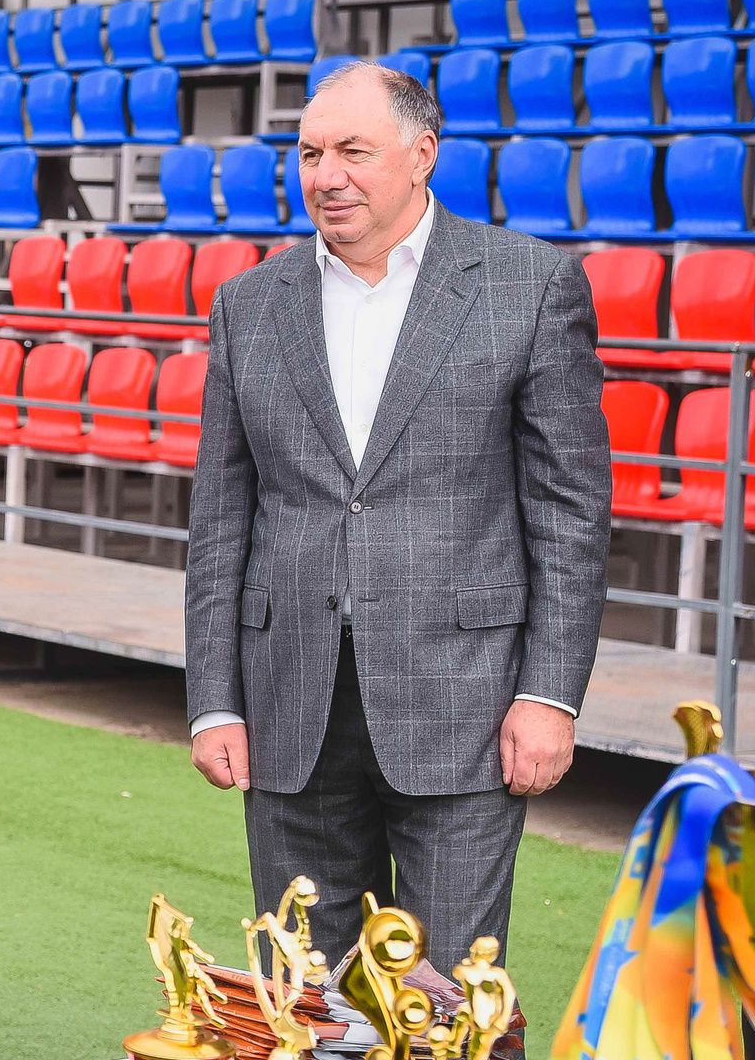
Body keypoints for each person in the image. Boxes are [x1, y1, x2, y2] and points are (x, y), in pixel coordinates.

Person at [184, 60, 611, 977]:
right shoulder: (248, 303)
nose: (327, 175)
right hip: (290, 707)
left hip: (467, 705)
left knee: (450, 1004)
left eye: (353, 151)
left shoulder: (529, 284)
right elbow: (221, 519)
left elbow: (571, 515)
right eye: (309, 153)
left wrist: (550, 694)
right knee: (304, 1007)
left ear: (423, 154)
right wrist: (214, 699)